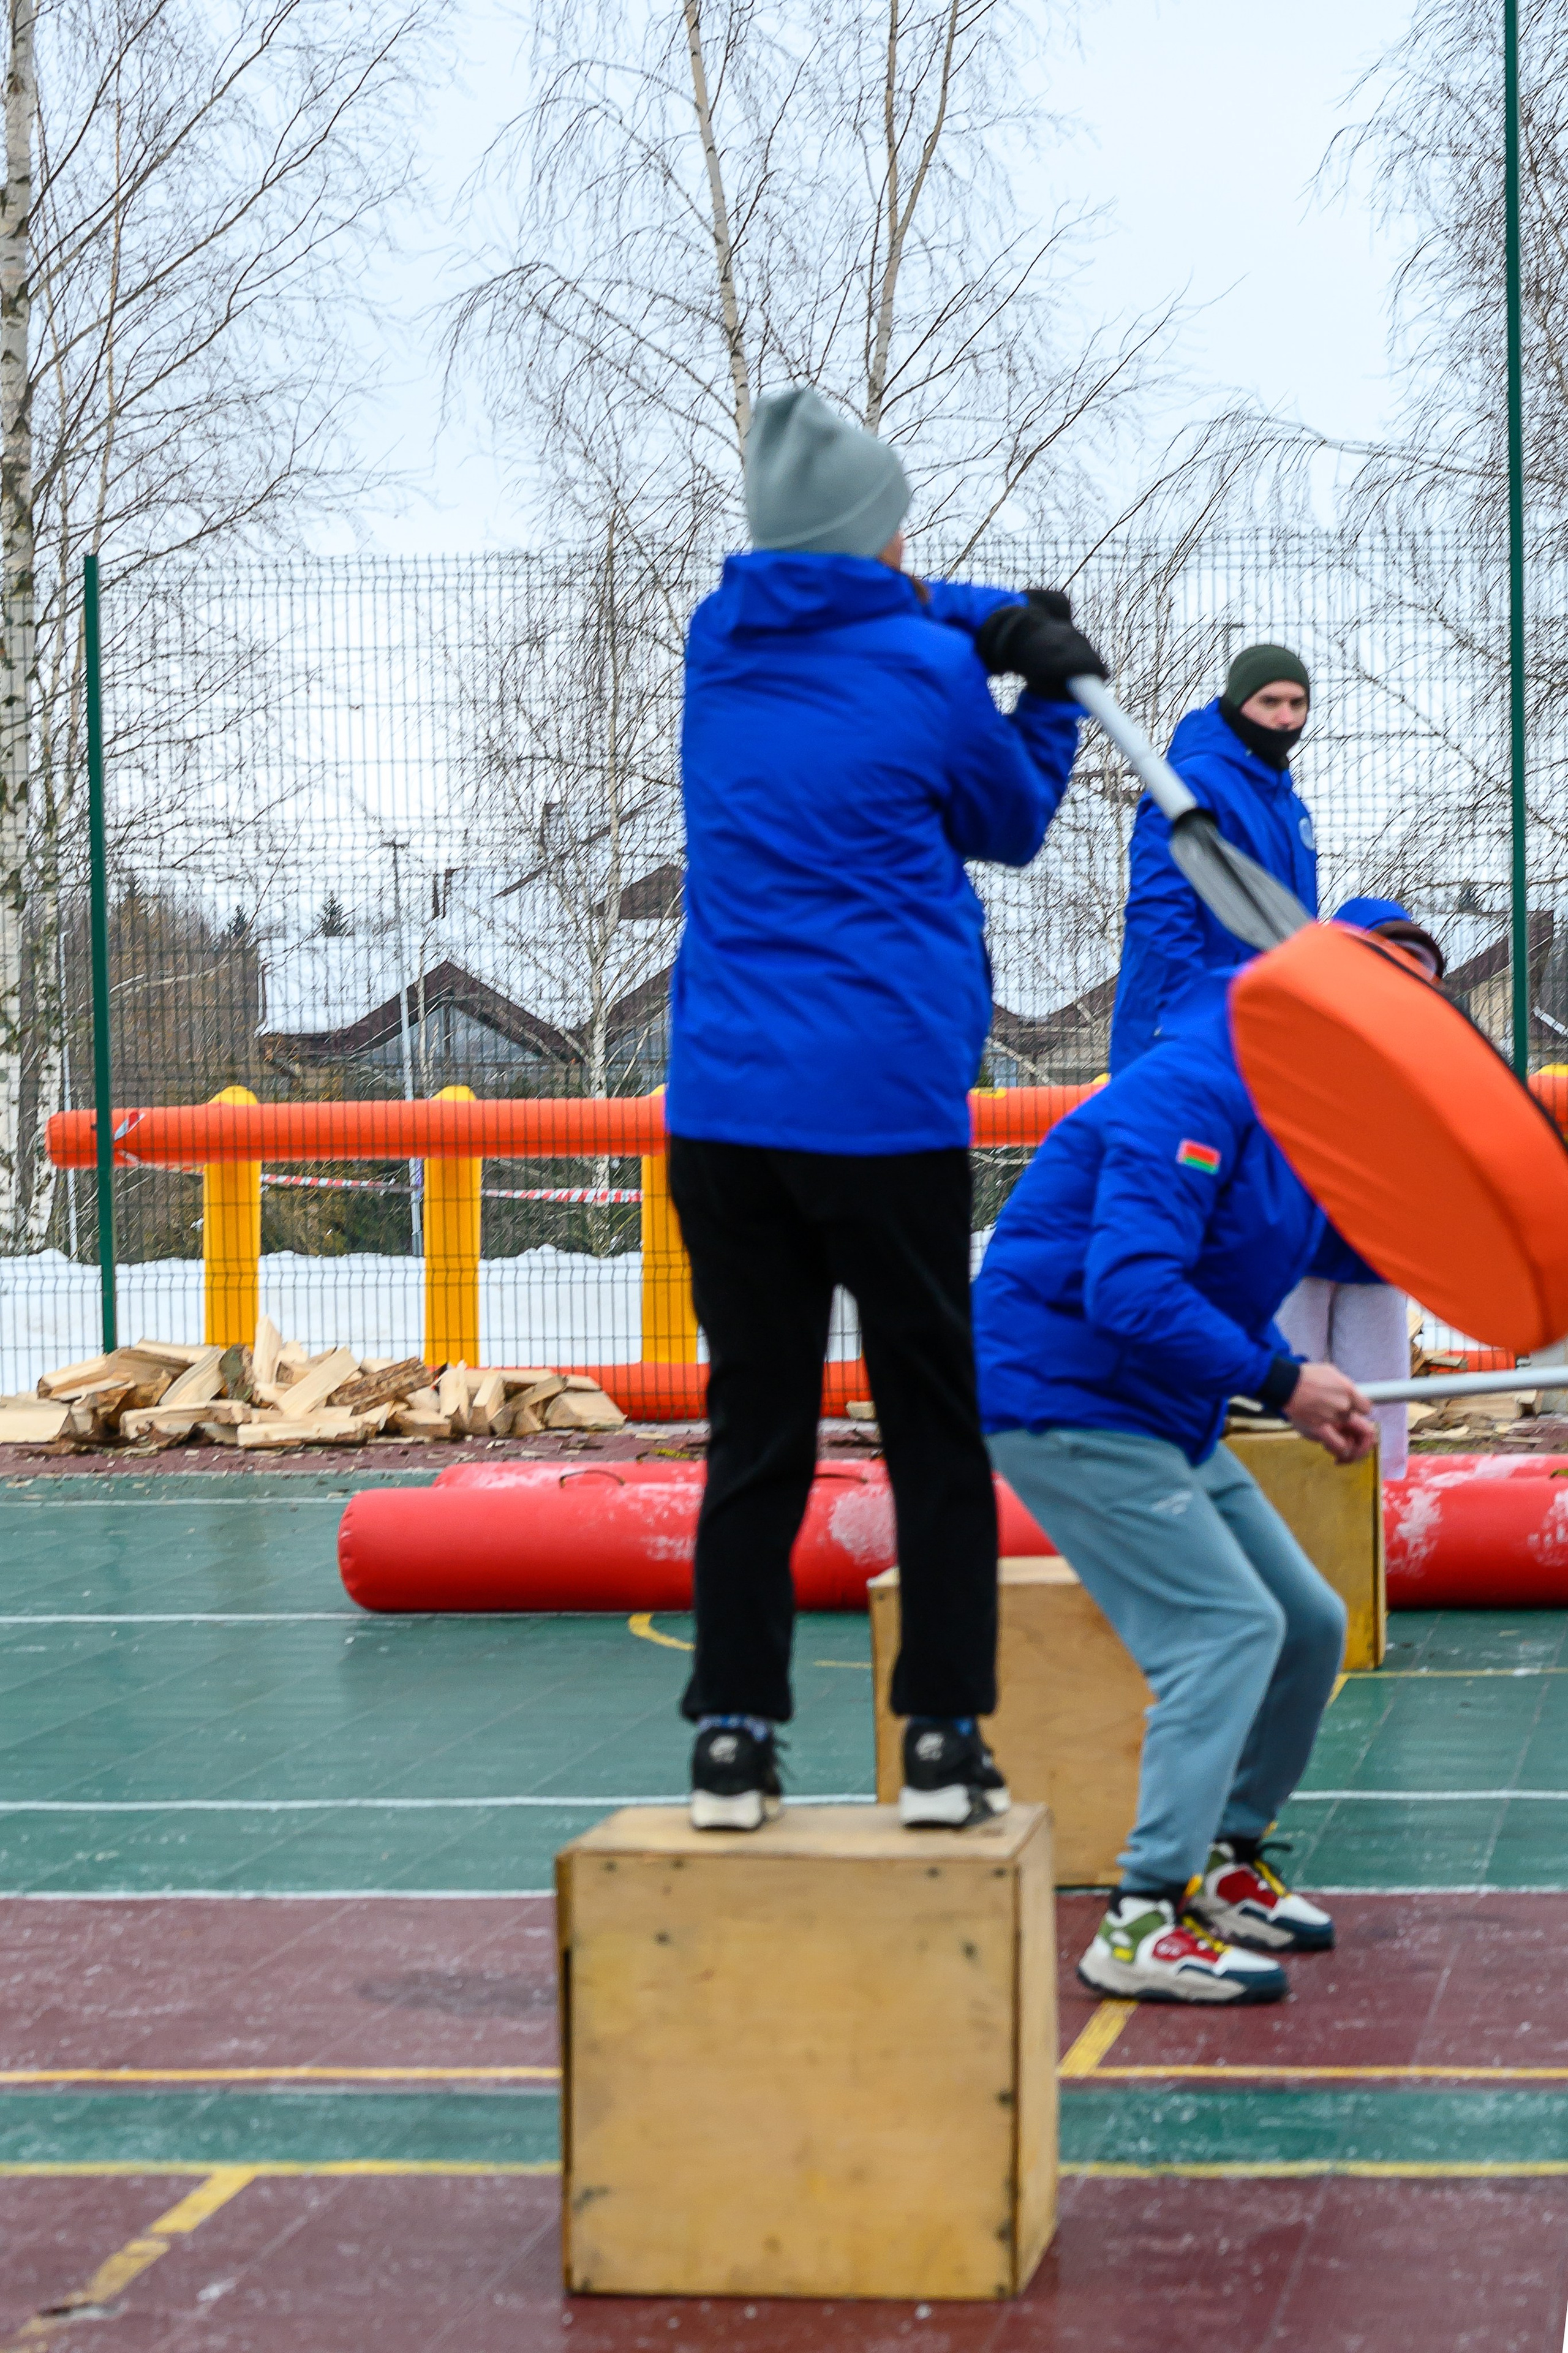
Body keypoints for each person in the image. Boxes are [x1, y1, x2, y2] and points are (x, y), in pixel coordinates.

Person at [666, 384, 1106, 1832]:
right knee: (928, 1423)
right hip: (880, 1108)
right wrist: (1041, 686)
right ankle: (938, 1740)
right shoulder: (926, 676)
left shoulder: (717, 644)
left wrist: (981, 612)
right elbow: (1011, 821)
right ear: (877, 532)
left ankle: (729, 1737)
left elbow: (877, 593)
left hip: (725, 1112)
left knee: (758, 1426)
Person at [973, 976, 1374, 2002]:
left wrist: (1289, 1386)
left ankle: (1232, 1860)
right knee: (1224, 1631)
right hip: (1065, 1399)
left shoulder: (1302, 1124)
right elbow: (1130, 1287)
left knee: (1307, 1619)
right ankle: (1141, 1918)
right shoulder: (1191, 1089)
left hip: (1159, 1411)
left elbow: (1221, 1285)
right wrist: (1282, 1380)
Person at [1276, 896, 1447, 1482]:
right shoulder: (1303, 1036)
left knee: (1378, 1402)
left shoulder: (1420, 1052)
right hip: (1297, 1244)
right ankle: (1291, 1507)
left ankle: (1383, 1514)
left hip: (1373, 1249)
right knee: (1292, 1395)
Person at [1109, 644, 1317, 1072]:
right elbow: (1160, 917)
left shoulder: (1290, 807)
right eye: (1270, 702)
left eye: (1298, 703)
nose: (1286, 718)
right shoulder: (1190, 785)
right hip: (1194, 1039)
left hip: (1268, 1035)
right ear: (1237, 704)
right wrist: (1194, 1027)